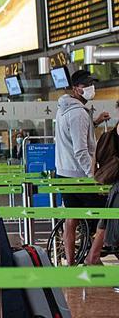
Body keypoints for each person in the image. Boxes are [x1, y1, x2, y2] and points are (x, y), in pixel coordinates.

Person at [55, 69, 109, 266]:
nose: (90, 88)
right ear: (76, 89)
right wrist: (93, 175)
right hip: (79, 176)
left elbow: (74, 135)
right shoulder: (78, 113)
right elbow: (80, 150)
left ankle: (70, 263)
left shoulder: (63, 108)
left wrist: (94, 122)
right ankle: (92, 257)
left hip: (63, 172)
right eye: (86, 85)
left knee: (72, 217)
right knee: (107, 213)